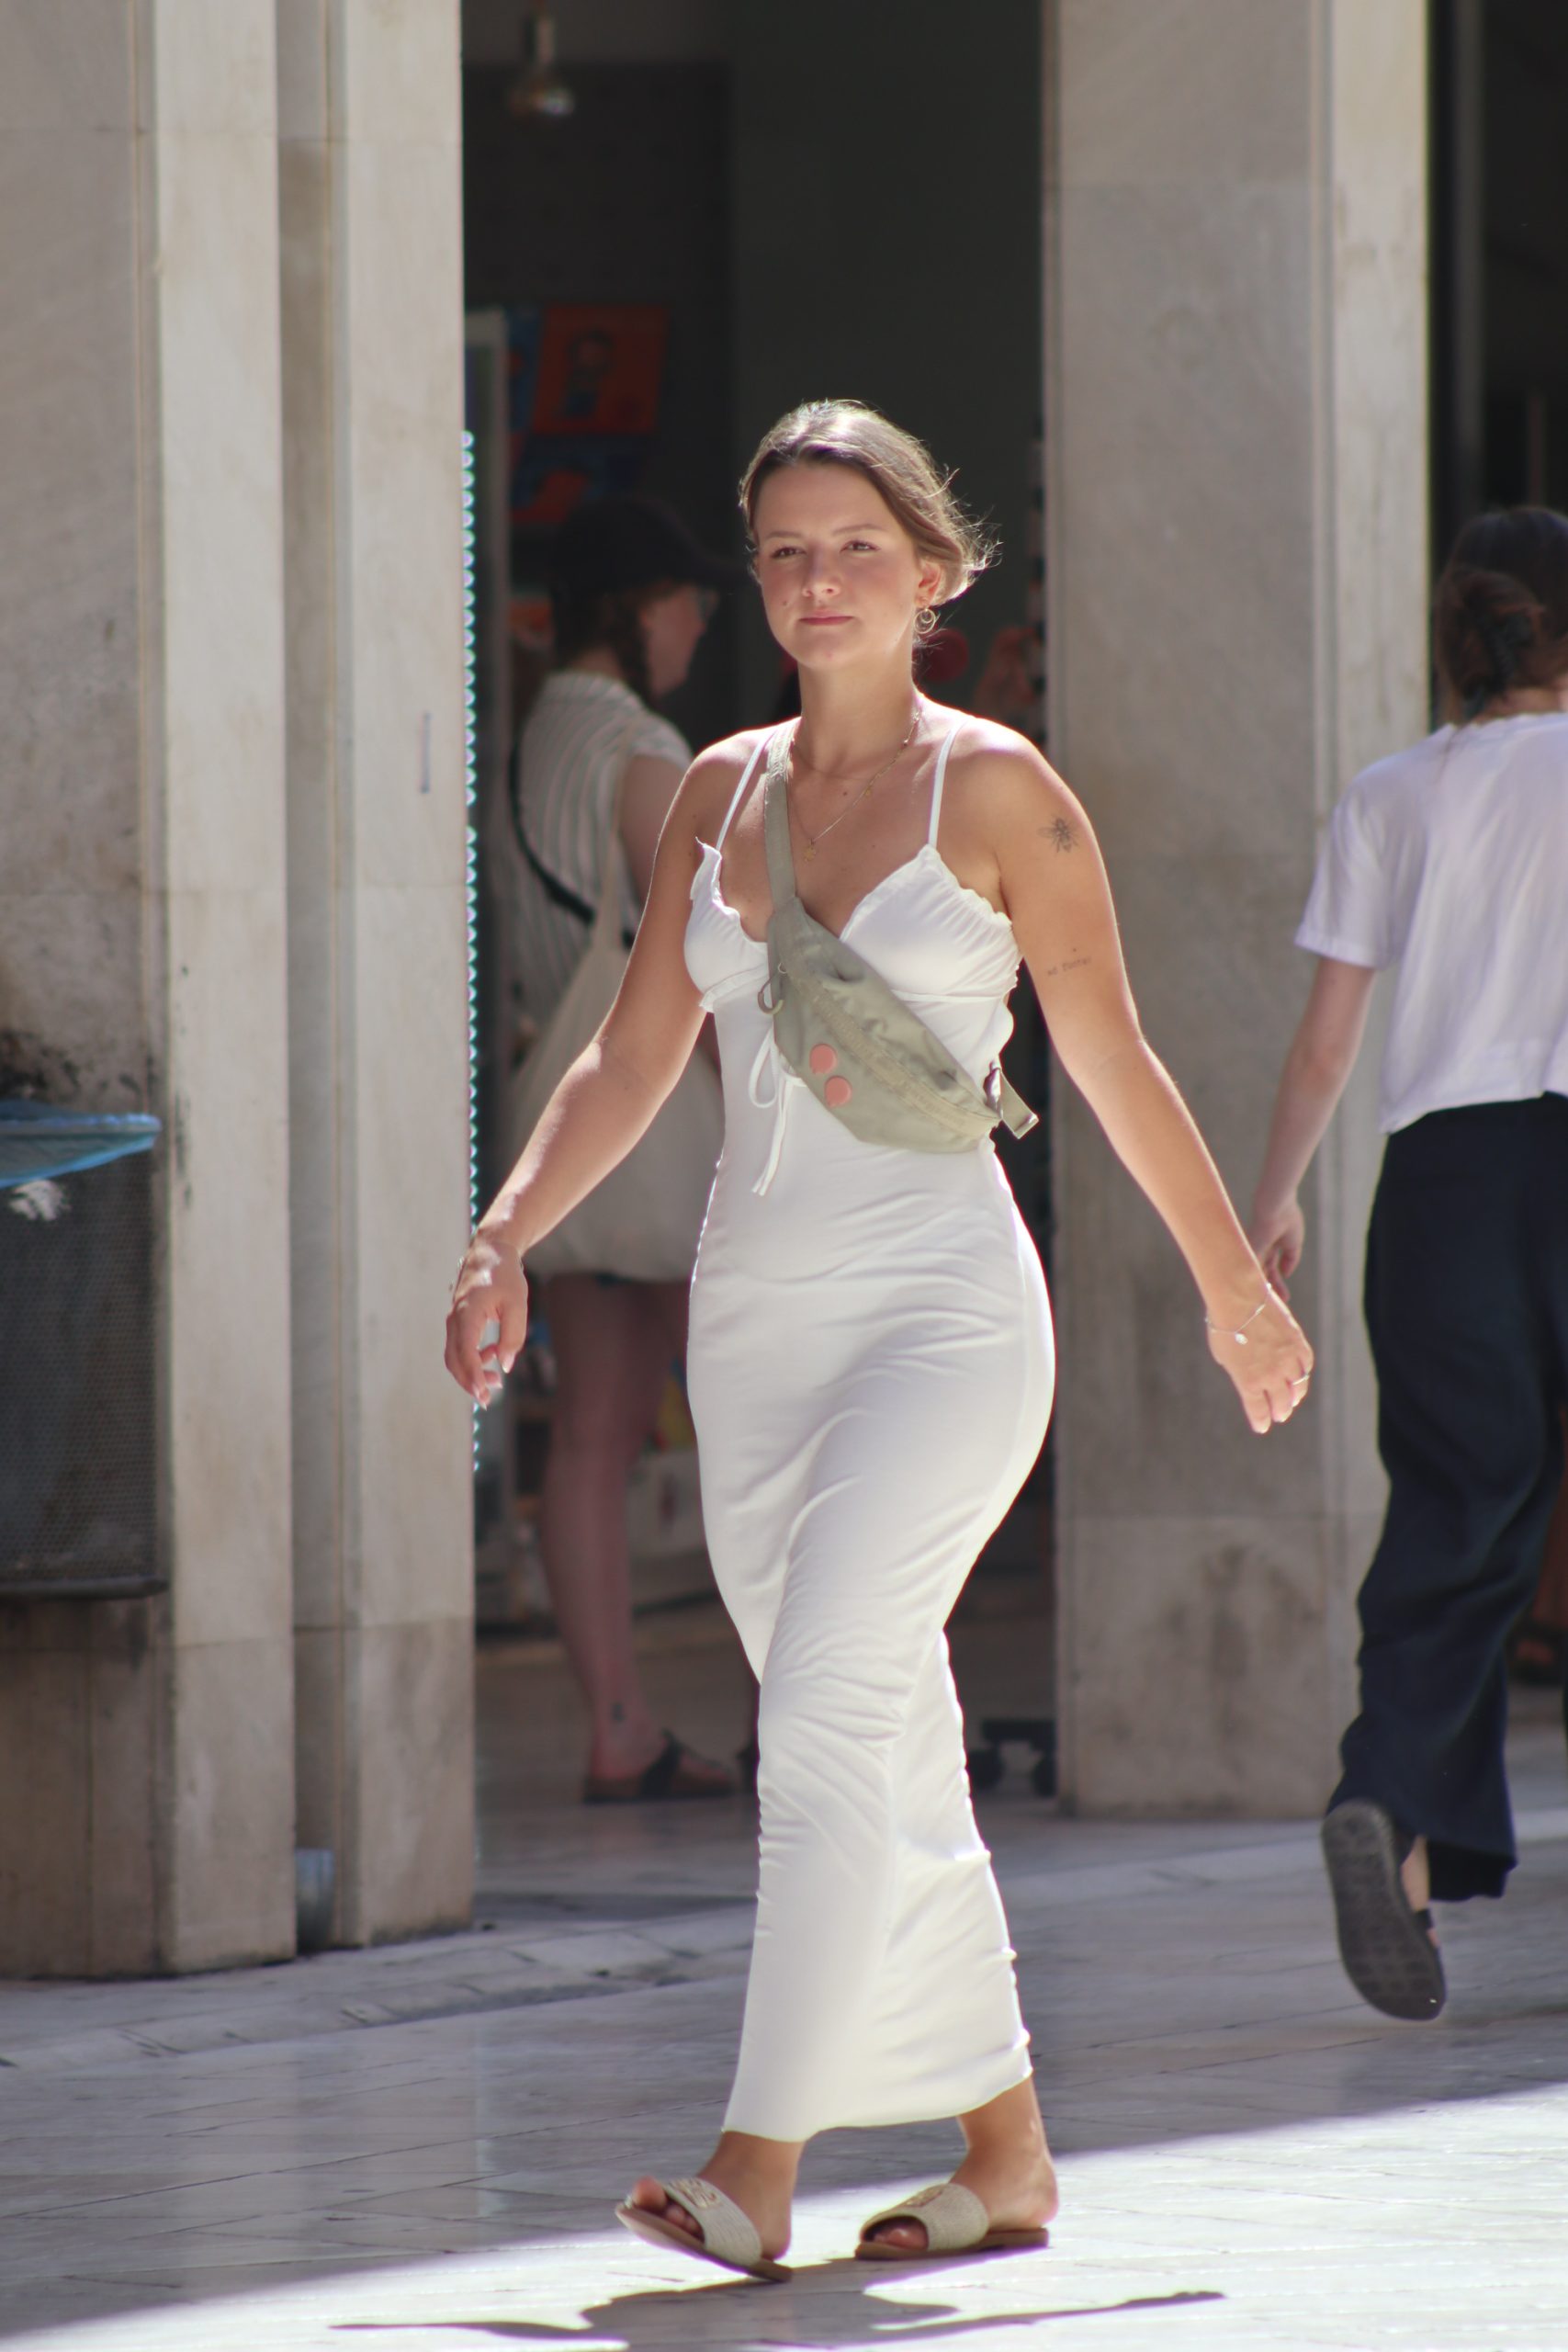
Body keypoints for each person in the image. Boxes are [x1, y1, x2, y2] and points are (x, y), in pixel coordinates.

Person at [448, 401, 1312, 2278]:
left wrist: (1229, 1285)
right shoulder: (715, 792)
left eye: (854, 548)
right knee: (882, 1737)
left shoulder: (999, 792)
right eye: (783, 552)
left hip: (944, 1323)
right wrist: (504, 1226)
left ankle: (755, 2158)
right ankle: (1005, 2149)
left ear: (931, 574)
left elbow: (1108, 1054)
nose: (814, 581)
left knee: (827, 1704)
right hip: (755, 1338)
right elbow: (630, 1055)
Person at [1250, 506, 1568, 2023]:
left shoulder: (1391, 794)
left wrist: (1271, 1202)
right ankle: (1413, 1850)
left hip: (1443, 1184)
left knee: (1457, 1518)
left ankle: (1392, 1813)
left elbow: (1328, 1042)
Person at [506, 493, 743, 1804]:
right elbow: (701, 973)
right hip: (663, 1138)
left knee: (592, 1434)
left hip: (564, 1132)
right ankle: (791, 1716)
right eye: (684, 600)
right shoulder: (646, 753)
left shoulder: (532, 739)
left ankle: (617, 1724)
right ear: (635, 611)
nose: (699, 623)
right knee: (755, 1418)